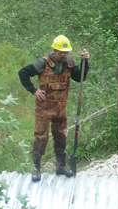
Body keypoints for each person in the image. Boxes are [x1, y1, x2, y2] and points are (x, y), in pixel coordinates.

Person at [18, 35, 90, 182]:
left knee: (61, 136)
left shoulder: (70, 62)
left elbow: (79, 78)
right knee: (41, 137)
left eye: (66, 53)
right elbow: (23, 73)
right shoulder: (43, 63)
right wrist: (34, 90)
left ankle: (61, 166)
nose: (64, 56)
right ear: (54, 51)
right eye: (62, 53)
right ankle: (36, 169)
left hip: (61, 109)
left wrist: (85, 63)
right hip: (44, 109)